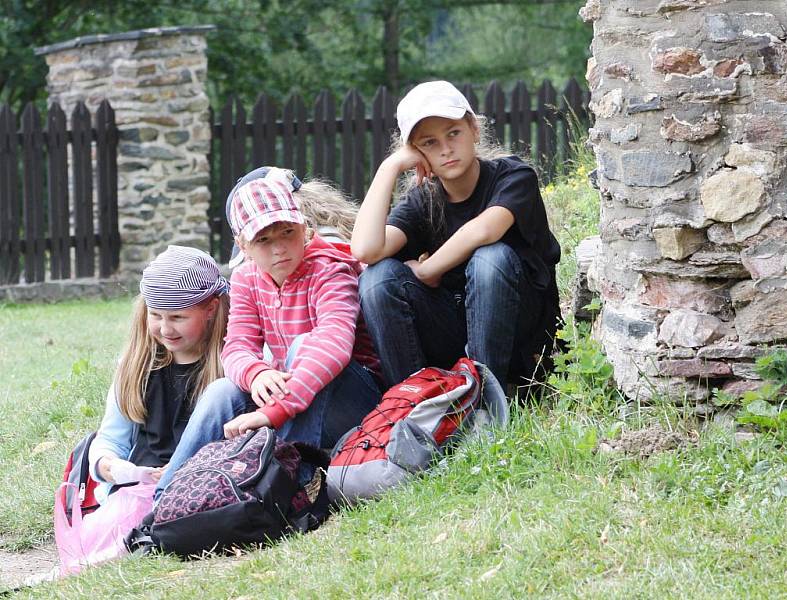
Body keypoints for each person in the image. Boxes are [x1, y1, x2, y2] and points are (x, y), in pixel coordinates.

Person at [351, 80, 562, 394]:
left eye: (453, 133)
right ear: (417, 152)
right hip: (457, 330)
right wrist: (390, 166)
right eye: (429, 143)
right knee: (377, 279)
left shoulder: (514, 176)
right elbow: (366, 250)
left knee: (491, 257)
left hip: (519, 338)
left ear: (474, 129)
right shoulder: (425, 201)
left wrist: (427, 269)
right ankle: (414, 404)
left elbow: (483, 229)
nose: (446, 149)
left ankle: (489, 400)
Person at [204, 167, 382, 451]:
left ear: (304, 228)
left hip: (355, 399)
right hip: (290, 396)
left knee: (305, 346)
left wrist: (272, 412)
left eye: (287, 232)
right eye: (263, 239)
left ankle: (295, 475)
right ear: (243, 246)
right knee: (221, 390)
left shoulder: (331, 268)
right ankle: (172, 482)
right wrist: (256, 373)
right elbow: (237, 346)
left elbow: (333, 345)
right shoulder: (245, 277)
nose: (279, 248)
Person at [88, 245, 230, 502]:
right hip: (133, 493)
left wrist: (180, 470)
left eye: (177, 317)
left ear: (211, 309)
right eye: (156, 315)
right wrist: (106, 465)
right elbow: (111, 438)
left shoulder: (229, 369)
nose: (165, 329)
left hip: (201, 490)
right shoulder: (136, 367)